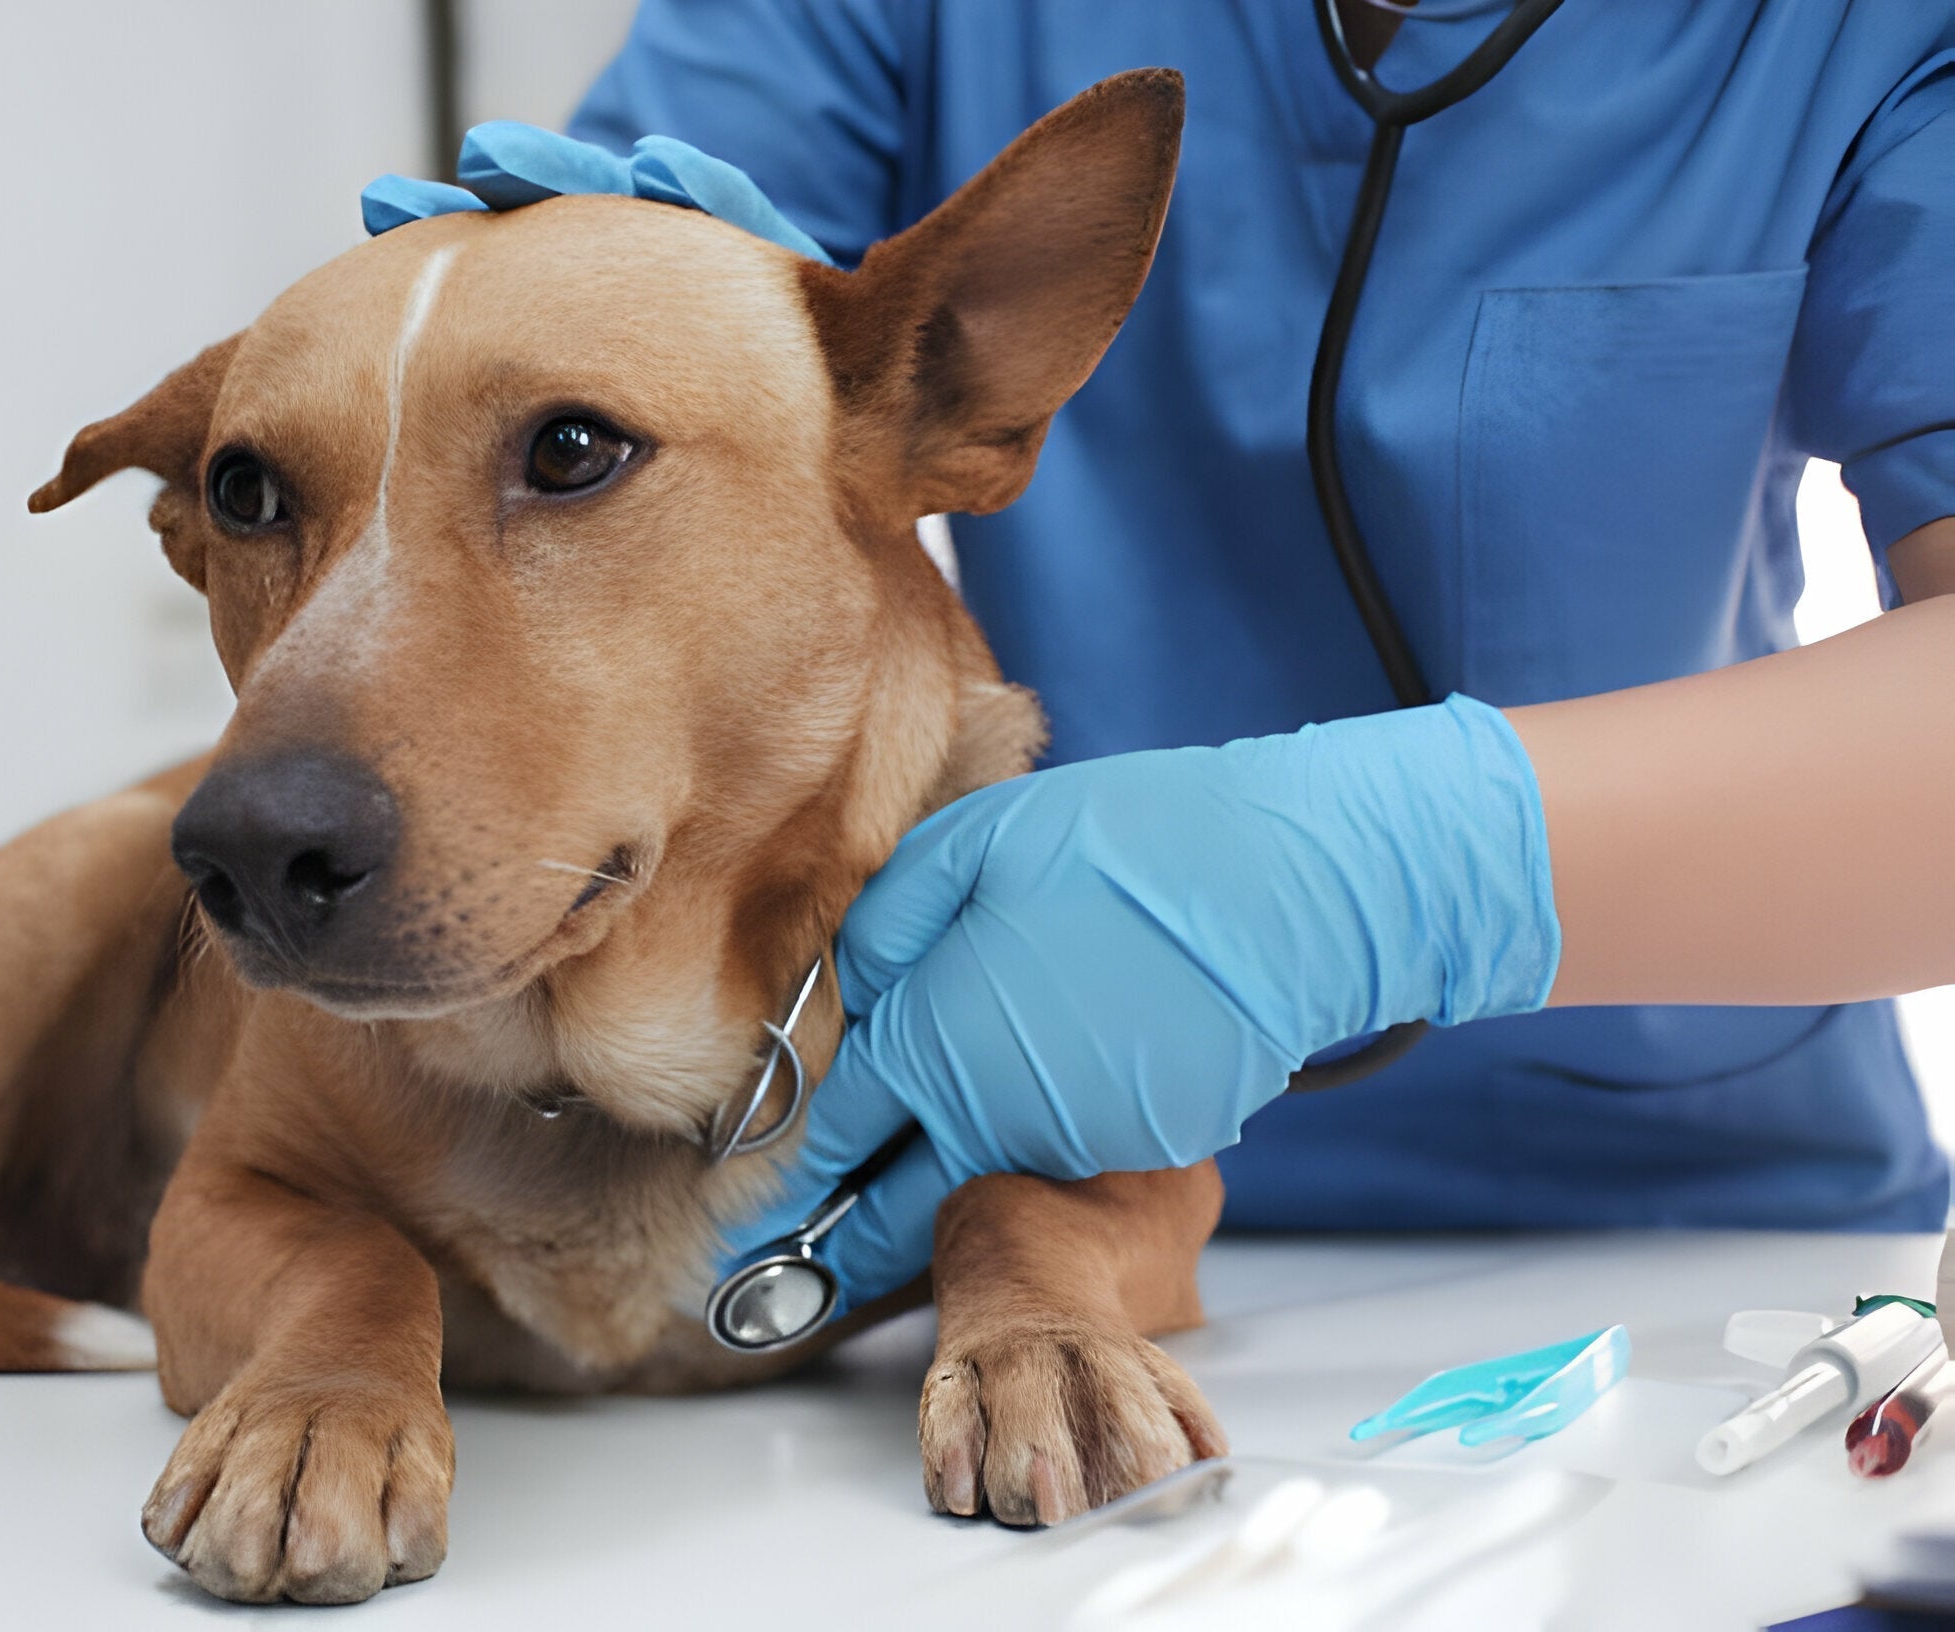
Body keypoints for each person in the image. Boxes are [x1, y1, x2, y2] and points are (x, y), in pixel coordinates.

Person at [552, 2, 1955, 1307]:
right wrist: (529, 355)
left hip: (1723, 1242)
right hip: (1042, 1169)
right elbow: (608, 357)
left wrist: (1391, 876)